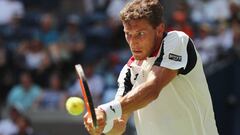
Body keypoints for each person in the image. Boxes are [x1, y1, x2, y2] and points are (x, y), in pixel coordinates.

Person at [83, 0, 219, 135]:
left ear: (159, 29)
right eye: (128, 34)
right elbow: (119, 124)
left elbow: (153, 88)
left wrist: (106, 111)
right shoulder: (128, 71)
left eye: (140, 34)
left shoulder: (177, 40)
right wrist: (102, 125)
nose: (133, 42)